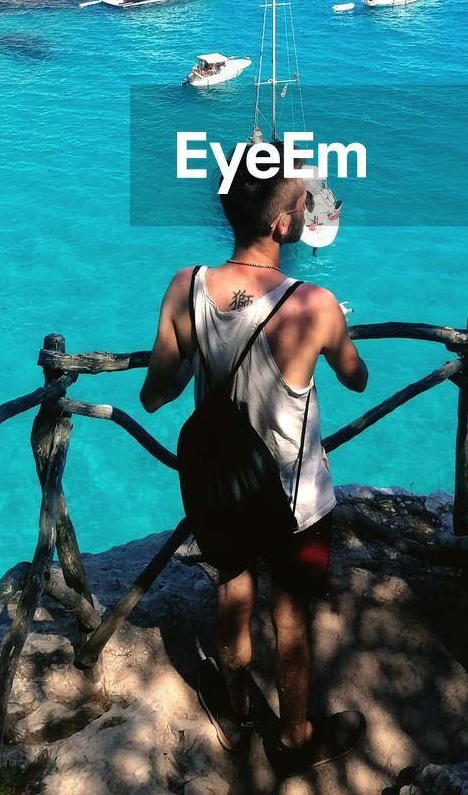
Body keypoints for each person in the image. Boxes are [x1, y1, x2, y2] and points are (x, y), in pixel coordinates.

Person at [140, 143, 369, 775]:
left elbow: (155, 394)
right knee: (290, 616)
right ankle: (293, 736)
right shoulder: (314, 304)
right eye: (301, 200)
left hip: (221, 486)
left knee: (233, 590)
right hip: (294, 498)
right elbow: (357, 379)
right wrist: (333, 340)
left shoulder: (186, 286)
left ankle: (239, 719)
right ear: (283, 223)